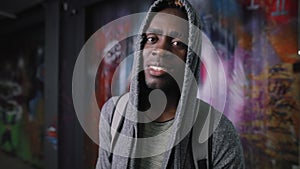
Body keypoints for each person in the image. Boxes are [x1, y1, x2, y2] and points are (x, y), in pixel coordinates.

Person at [96, 0, 245, 168]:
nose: (160, 50)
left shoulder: (219, 133)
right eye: (152, 39)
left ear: (191, 57)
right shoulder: (114, 115)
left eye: (177, 43)